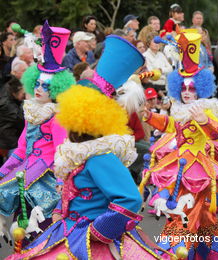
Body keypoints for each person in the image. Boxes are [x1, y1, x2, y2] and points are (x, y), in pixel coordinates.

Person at [6, 35, 174, 260]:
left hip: (93, 242)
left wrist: (99, 231)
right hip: (69, 231)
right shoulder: (80, 153)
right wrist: (58, 212)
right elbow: (70, 191)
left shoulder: (99, 157)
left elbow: (130, 198)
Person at [139, 30, 218, 259]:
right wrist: (149, 117)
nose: (187, 92)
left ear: (201, 88)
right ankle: (205, 252)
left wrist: (205, 122)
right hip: (181, 166)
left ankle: (176, 250)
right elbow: (170, 125)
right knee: (199, 217)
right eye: (183, 88)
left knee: (189, 213)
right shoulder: (182, 111)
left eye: (192, 88)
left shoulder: (205, 109)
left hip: (200, 170)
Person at [0, 21, 75, 239]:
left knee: (40, 231)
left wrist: (61, 182)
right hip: (26, 172)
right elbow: (22, 149)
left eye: (47, 86)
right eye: (39, 85)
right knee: (18, 223)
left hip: (47, 178)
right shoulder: (32, 112)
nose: (41, 89)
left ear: (57, 89)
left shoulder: (57, 117)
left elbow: (62, 152)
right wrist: (5, 170)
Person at [0, 77, 25, 165]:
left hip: (9, 138)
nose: (25, 95)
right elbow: (21, 121)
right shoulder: (7, 105)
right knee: (12, 167)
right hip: (9, 142)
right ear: (15, 92)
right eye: (23, 93)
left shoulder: (8, 89)